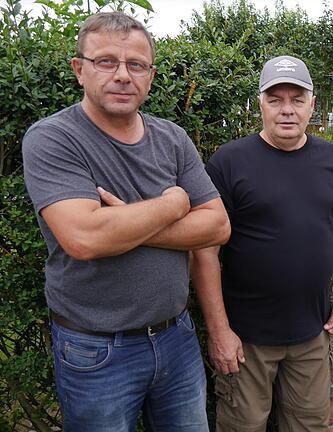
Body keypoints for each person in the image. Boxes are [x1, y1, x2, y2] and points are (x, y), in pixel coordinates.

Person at [22, 12, 230, 431]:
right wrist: (173, 204)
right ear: (79, 70)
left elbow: (217, 226)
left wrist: (123, 222)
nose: (122, 75)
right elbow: (84, 237)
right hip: (95, 350)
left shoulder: (171, 138)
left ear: (150, 76)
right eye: (106, 62)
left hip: (176, 338)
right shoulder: (53, 138)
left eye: (135, 65)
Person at [191, 55, 333, 431]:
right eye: (275, 99)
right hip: (246, 341)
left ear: (312, 104)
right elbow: (203, 251)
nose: (287, 110)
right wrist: (219, 331)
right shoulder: (229, 162)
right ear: (260, 103)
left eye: (297, 99)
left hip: (313, 335)